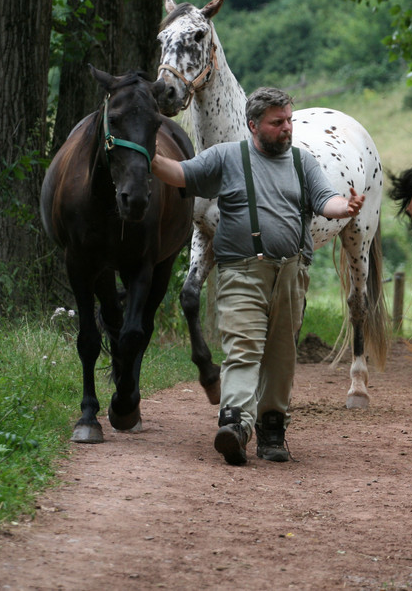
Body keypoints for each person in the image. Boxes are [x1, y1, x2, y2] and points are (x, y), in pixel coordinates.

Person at [151, 87, 365, 465]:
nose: (287, 128)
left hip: (291, 274)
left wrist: (345, 207)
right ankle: (234, 423)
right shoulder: (227, 157)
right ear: (253, 125)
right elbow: (180, 174)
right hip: (241, 273)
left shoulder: (303, 163)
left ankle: (272, 429)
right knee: (243, 348)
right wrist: (143, 154)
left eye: (289, 121)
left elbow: (325, 201)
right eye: (277, 122)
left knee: (281, 357)